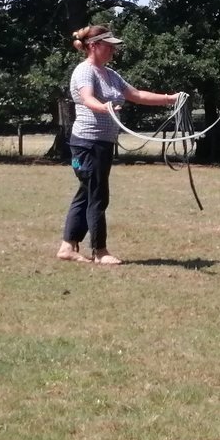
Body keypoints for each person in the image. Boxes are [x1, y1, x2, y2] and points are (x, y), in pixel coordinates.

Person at [57, 25, 180, 265]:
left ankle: (67, 247)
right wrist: (105, 107)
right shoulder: (85, 71)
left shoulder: (110, 74)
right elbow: (88, 98)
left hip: (100, 144)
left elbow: (137, 95)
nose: (113, 50)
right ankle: (100, 251)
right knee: (97, 195)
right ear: (94, 46)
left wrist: (170, 99)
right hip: (87, 143)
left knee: (87, 192)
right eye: (109, 45)